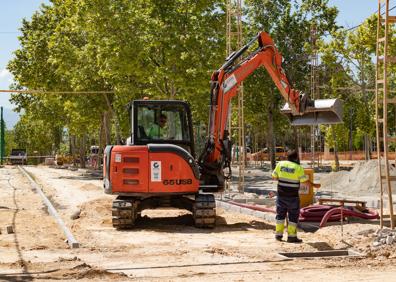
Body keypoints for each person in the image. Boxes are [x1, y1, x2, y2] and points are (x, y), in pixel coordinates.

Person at [271, 149, 308, 243]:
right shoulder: (298, 168)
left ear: (287, 156)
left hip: (281, 196)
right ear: (296, 158)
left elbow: (274, 177)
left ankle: (278, 235)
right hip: (293, 197)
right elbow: (304, 181)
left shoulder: (280, 164)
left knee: (280, 215)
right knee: (293, 216)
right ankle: (291, 237)